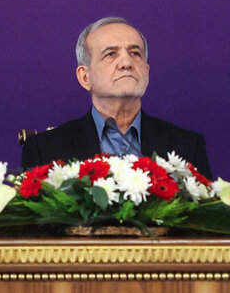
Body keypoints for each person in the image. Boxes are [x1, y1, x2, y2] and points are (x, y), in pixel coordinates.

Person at [20, 16, 213, 178]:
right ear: (85, 77)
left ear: (146, 72)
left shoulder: (186, 146)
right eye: (111, 54)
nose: (127, 62)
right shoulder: (44, 149)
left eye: (135, 53)